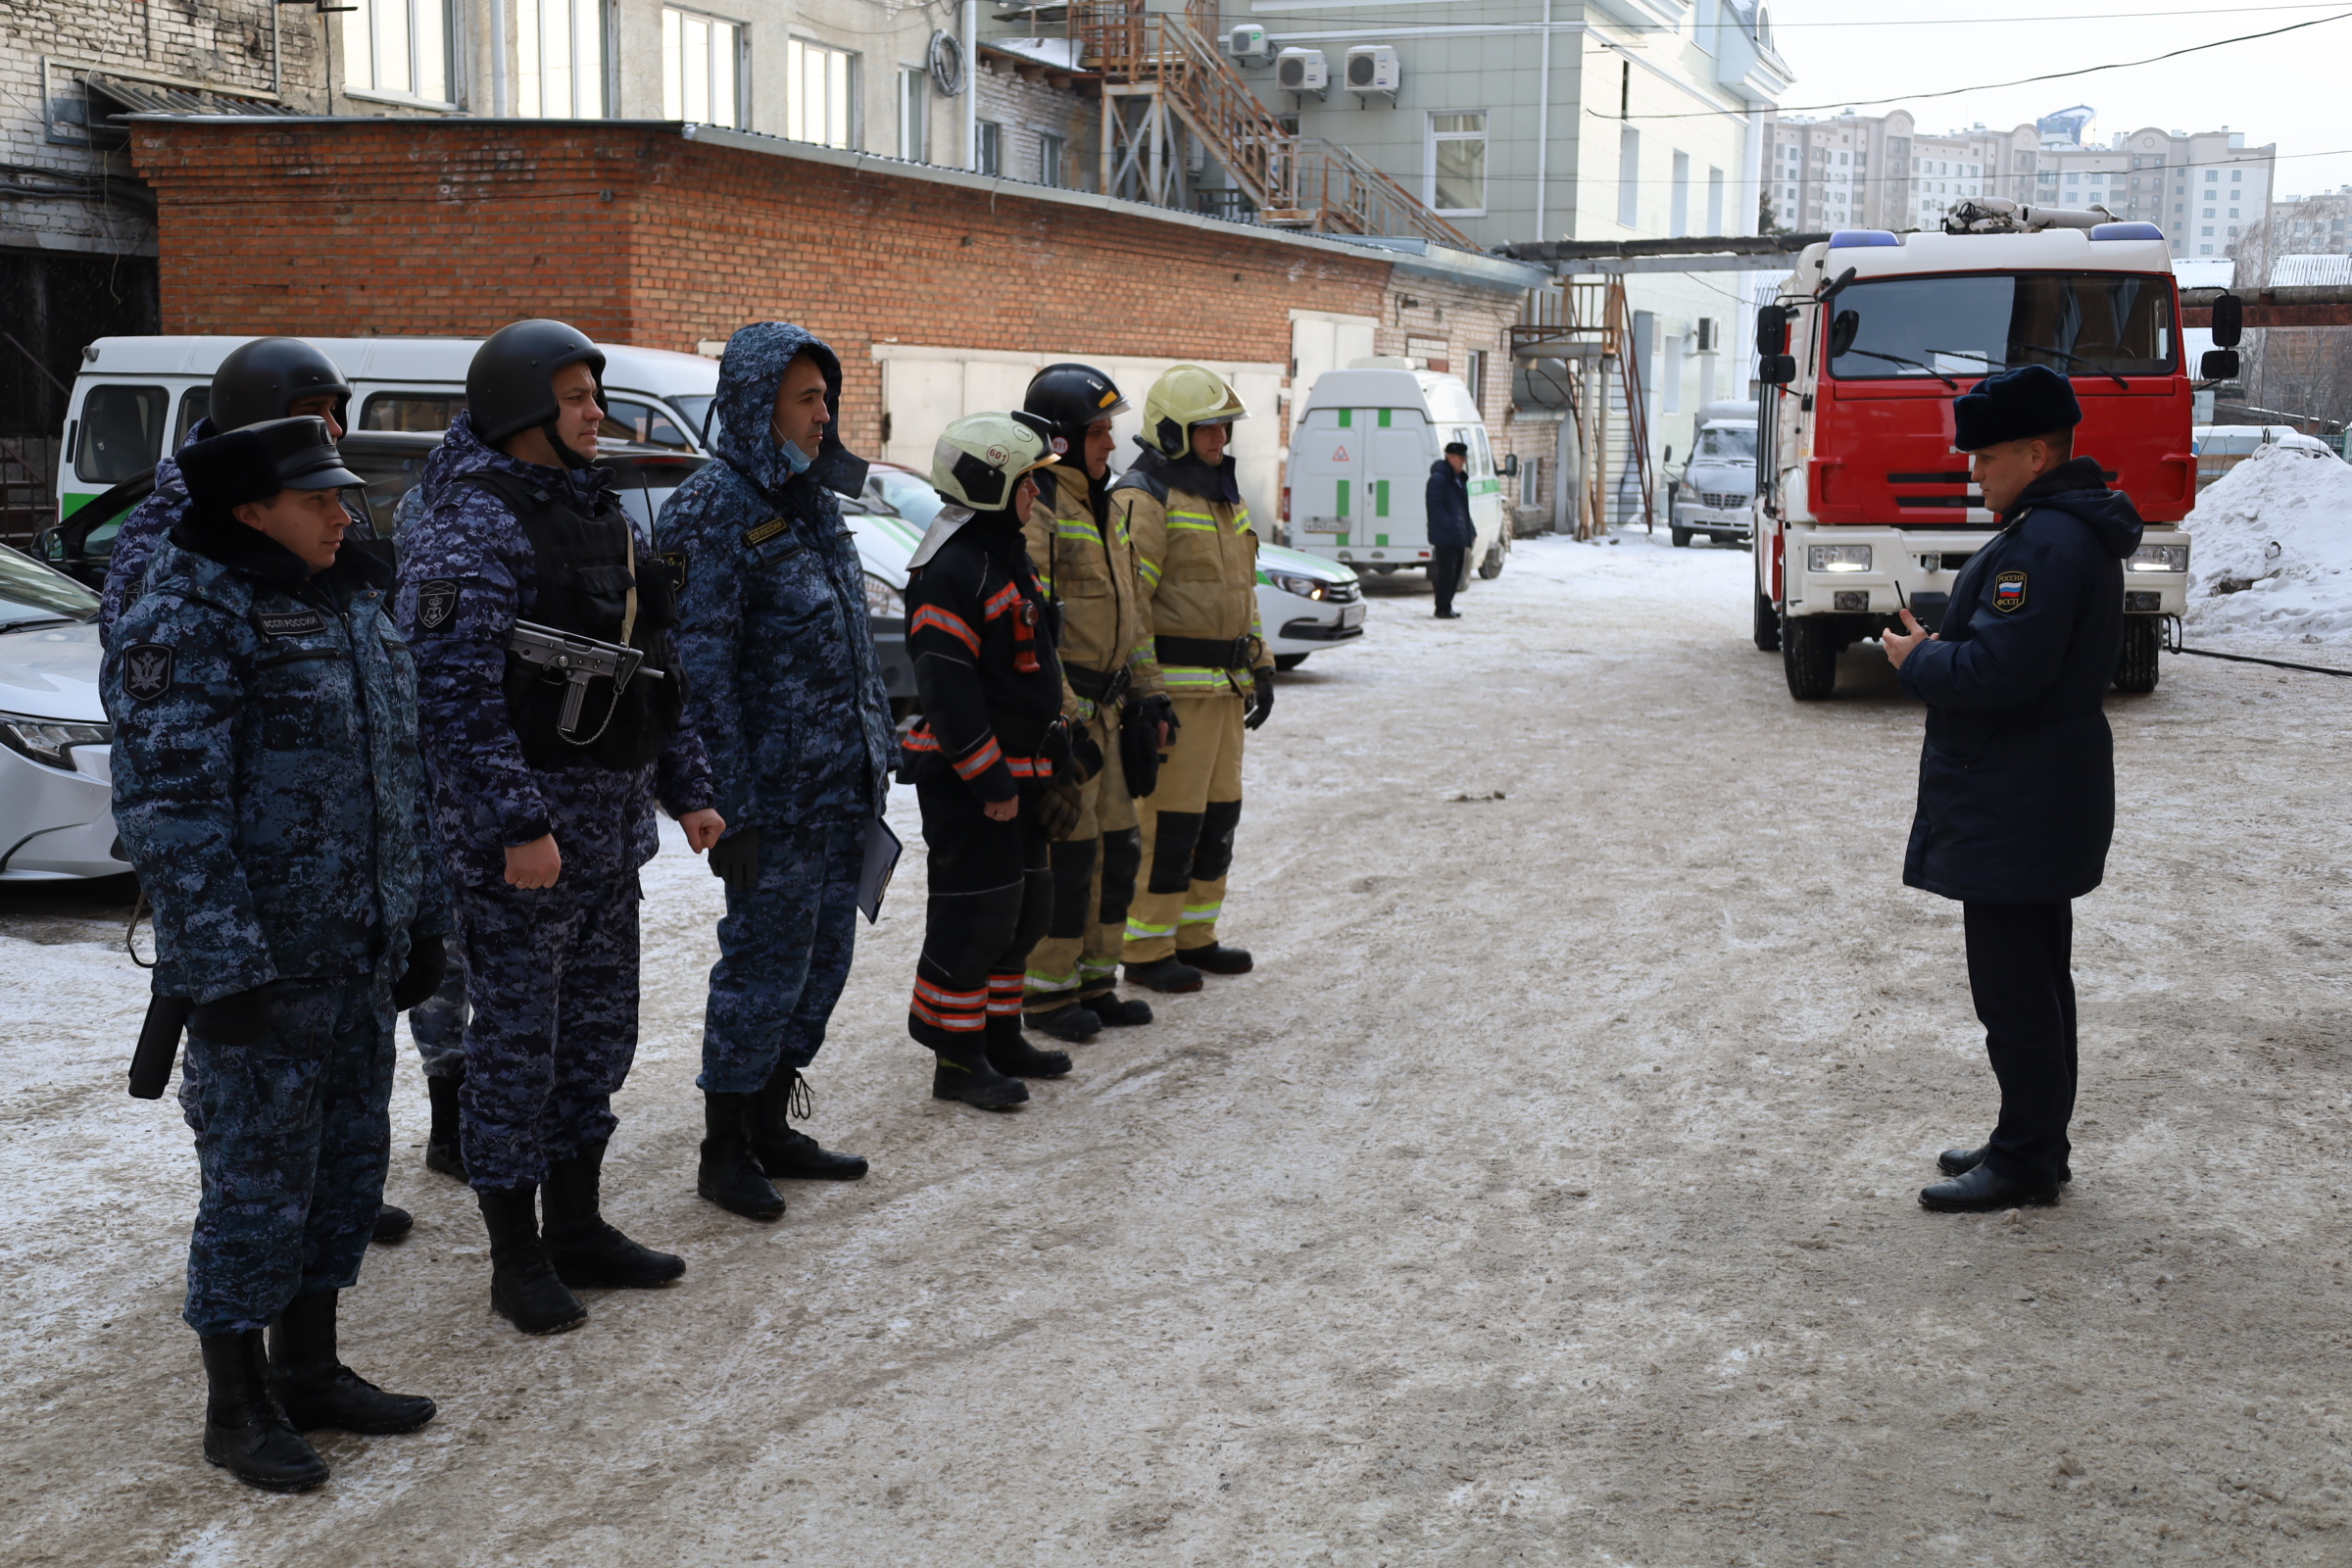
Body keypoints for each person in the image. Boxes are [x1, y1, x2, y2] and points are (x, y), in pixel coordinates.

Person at [107, 417, 445, 1492]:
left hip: (358, 948)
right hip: (262, 967)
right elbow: (171, 808)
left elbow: (402, 772)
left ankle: (311, 1366)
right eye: (318, 499)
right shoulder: (190, 610)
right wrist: (220, 969)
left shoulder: (341, 598)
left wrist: (421, 915)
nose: (345, 513)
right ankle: (235, 1401)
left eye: (343, 496)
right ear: (250, 509)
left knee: (345, 1168)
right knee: (257, 1185)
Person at [396, 319, 725, 1334]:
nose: (598, 414)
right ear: (526, 409)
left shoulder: (605, 517)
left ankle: (578, 1222)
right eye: (579, 399)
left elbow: (654, 665)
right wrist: (515, 824)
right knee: (517, 1052)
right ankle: (516, 1255)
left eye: (596, 396)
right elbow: (453, 702)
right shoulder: (471, 527)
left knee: (595, 1039)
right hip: (523, 855)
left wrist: (689, 787)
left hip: (606, 838)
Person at [98, 339, 414, 1247]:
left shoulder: (326, 539)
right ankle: (245, 1331)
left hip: (341, 914)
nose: (331, 434)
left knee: (329, 1142)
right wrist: (219, 952)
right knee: (252, 1138)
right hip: (248, 892)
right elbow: (162, 732)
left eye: (335, 414)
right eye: (310, 414)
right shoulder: (176, 544)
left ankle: (309, 1300)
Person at [1881, 364, 2143, 1213]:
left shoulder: (2045, 542)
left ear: (2035, 452)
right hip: (2036, 792)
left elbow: (2003, 671)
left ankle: (2027, 1161)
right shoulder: (2058, 529)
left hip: (2019, 796)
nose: (1972, 469)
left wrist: (1918, 659)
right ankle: (2031, 1140)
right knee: (2038, 981)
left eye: (1985, 455)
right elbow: (2015, 644)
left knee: (2016, 992)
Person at [657, 322, 895, 1221]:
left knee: (821, 964)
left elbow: (847, 648)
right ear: (760, 407)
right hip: (773, 803)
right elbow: (698, 672)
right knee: (761, 968)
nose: (822, 414)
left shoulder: (814, 503)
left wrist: (878, 753)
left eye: (825, 397)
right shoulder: (712, 510)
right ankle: (726, 1147)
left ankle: (772, 1121)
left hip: (840, 790)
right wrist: (731, 806)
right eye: (806, 399)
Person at [902, 412, 1095, 1109]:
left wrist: (1065, 748)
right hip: (974, 782)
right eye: (1027, 482)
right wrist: (987, 777)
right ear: (990, 482)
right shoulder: (949, 569)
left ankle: (999, 1032)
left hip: (1027, 774)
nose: (1036, 496)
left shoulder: (1004, 552)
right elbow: (948, 687)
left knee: (1024, 911)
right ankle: (956, 1059)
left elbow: (1032, 665)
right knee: (974, 917)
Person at [1017, 363, 1170, 1041]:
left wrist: (1151, 699)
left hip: (1112, 714)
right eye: (1101, 432)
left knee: (1118, 852)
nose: (1113, 444)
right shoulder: (1040, 509)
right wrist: (1067, 716)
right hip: (1073, 719)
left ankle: (1093, 979)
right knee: (1070, 860)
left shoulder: (1106, 506)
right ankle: (1047, 993)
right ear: (1061, 438)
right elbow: (1033, 628)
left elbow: (1133, 614)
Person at [1110, 365, 1273, 994]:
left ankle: (1194, 935)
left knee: (1216, 818)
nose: (1220, 439)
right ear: (1172, 429)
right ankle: (1147, 946)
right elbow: (1133, 606)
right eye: (1208, 427)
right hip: (1177, 694)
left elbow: (1244, 592)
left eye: (1225, 427)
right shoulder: (1143, 497)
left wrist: (1260, 663)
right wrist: (1148, 694)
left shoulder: (1222, 495)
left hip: (1225, 691)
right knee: (1168, 824)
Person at [101, 338, 369, 644]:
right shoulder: (174, 517)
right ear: (254, 415)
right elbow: (130, 642)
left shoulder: (336, 505)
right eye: (313, 411)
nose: (334, 428)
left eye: (334, 410)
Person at [1426, 440, 1475, 620]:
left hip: (1458, 535)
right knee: (1446, 573)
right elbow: (1435, 507)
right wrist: (1451, 525)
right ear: (1450, 457)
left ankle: (1448, 604)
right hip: (1445, 535)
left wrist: (1470, 529)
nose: (1463, 462)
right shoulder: (1439, 479)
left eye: (1464, 459)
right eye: (1460, 458)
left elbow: (1463, 508)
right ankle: (1442, 607)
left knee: (1456, 573)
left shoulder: (1459, 479)